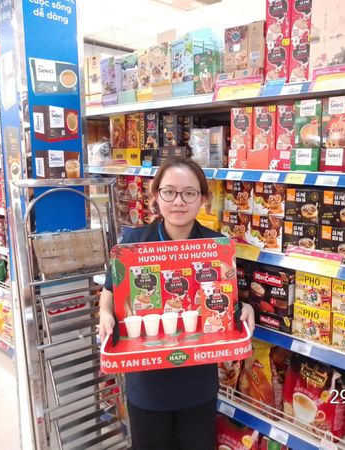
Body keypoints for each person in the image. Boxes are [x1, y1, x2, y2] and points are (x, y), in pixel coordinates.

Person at [99, 157, 255, 450]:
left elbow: (228, 300)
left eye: (189, 193)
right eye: (169, 192)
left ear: (203, 199)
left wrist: (244, 309)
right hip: (146, 383)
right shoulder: (134, 243)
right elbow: (110, 291)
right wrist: (105, 313)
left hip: (197, 383)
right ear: (155, 195)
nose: (178, 202)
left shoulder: (216, 245)